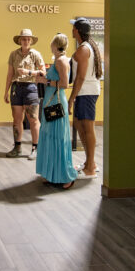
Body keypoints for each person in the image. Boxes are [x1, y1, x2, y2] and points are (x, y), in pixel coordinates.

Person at [34, 34, 77, 188]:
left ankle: (65, 176)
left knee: (57, 137)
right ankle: (51, 173)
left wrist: (44, 80)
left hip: (56, 102)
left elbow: (65, 84)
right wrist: (44, 77)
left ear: (55, 45)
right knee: (49, 135)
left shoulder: (61, 61)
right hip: (52, 101)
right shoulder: (59, 60)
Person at [69, 17, 103, 179]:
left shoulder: (83, 49)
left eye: (73, 28)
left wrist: (71, 98)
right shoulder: (87, 46)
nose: (72, 30)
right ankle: (90, 162)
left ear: (77, 30)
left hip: (86, 91)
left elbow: (80, 77)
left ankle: (90, 168)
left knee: (88, 128)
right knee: (77, 122)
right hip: (87, 91)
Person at [4, 28, 45, 159]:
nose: (26, 41)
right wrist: (6, 91)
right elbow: (10, 74)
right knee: (17, 119)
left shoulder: (36, 54)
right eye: (24, 39)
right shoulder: (13, 54)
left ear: (31, 41)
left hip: (31, 87)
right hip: (16, 88)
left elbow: (43, 71)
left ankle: (36, 148)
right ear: (19, 41)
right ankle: (17, 147)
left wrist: (29, 72)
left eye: (28, 39)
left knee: (33, 119)